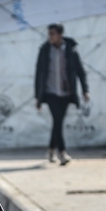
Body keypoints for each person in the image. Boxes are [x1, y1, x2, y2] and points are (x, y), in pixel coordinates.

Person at [34, 23, 89, 165]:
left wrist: (85, 90)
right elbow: (39, 73)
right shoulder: (45, 51)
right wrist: (38, 97)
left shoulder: (71, 51)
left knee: (58, 122)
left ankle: (51, 149)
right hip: (50, 92)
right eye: (49, 34)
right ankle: (62, 152)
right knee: (58, 120)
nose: (50, 37)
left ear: (60, 35)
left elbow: (80, 71)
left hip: (66, 93)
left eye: (53, 34)